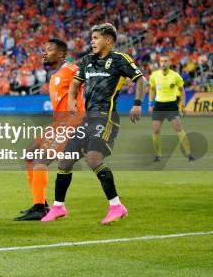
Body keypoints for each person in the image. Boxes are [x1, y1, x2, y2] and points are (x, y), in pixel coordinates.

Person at [42, 23, 148, 224]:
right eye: (91, 38)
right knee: (65, 161)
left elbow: (141, 81)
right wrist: (72, 99)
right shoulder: (87, 61)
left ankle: (116, 206)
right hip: (86, 118)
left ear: (108, 40)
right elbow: (75, 82)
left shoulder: (119, 59)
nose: (92, 41)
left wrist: (137, 104)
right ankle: (58, 207)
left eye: (96, 38)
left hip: (105, 117)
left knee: (93, 159)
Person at [14, 38, 85, 221]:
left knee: (40, 159)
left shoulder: (71, 69)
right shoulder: (55, 75)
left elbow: (88, 79)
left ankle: (40, 208)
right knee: (30, 154)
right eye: (44, 49)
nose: (44, 53)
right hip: (59, 123)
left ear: (61, 54)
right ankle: (41, 204)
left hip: (72, 122)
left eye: (49, 49)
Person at [149, 55, 194, 161]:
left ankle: (189, 154)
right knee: (155, 130)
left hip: (172, 105)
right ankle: (158, 155)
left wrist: (182, 105)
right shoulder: (154, 75)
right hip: (159, 105)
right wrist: (150, 104)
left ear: (169, 62)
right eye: (161, 61)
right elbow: (151, 90)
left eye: (165, 61)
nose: (163, 63)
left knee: (179, 129)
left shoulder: (176, 76)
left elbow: (182, 92)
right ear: (159, 63)